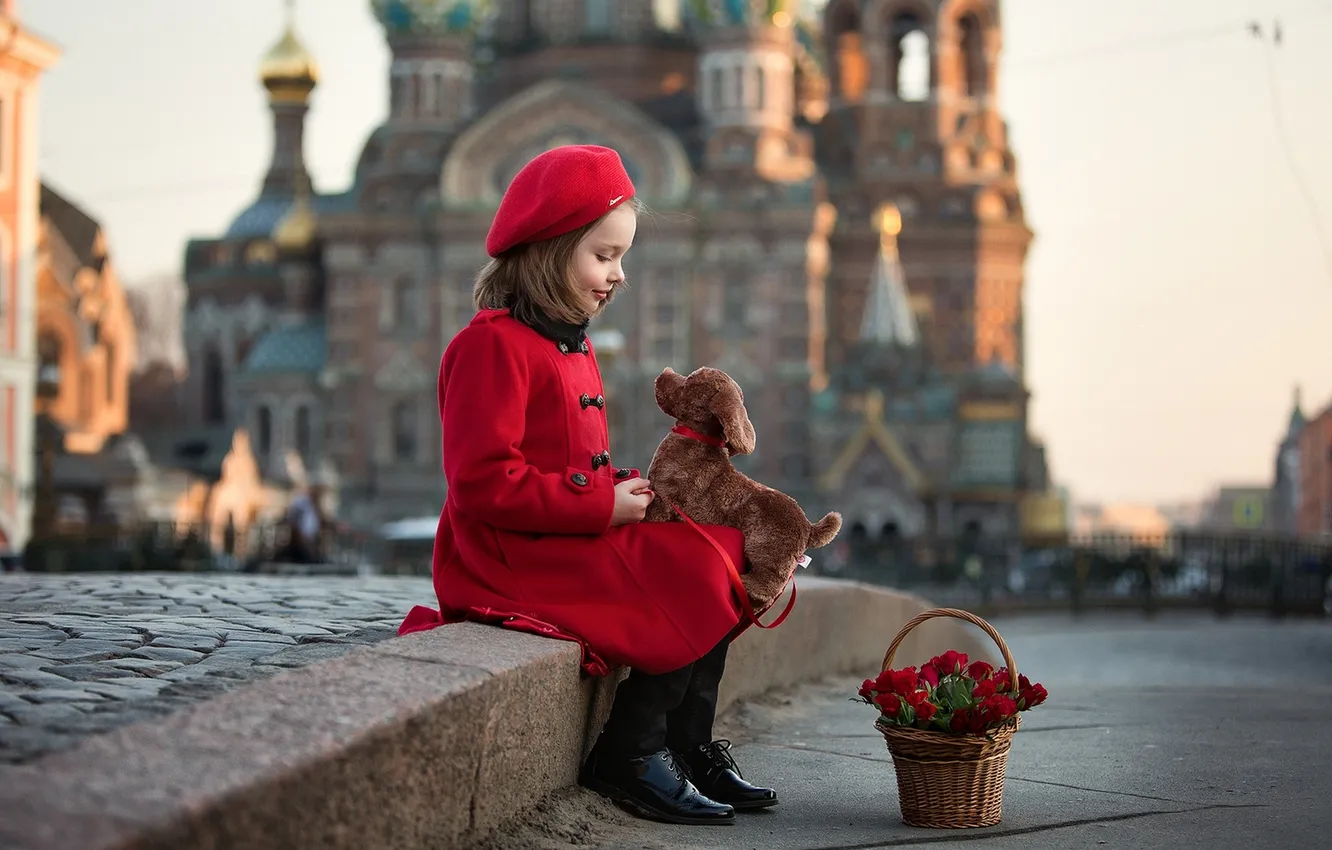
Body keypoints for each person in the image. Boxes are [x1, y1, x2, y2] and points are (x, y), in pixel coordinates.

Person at [398, 145, 777, 826]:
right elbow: (482, 484)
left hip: (560, 534)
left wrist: (628, 492)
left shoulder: (566, 343)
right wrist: (600, 504)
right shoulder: (492, 347)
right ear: (549, 249)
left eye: (621, 257)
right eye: (604, 256)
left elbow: (570, 462)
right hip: (509, 556)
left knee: (731, 549)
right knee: (700, 569)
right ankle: (630, 754)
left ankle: (686, 746)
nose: (619, 275)